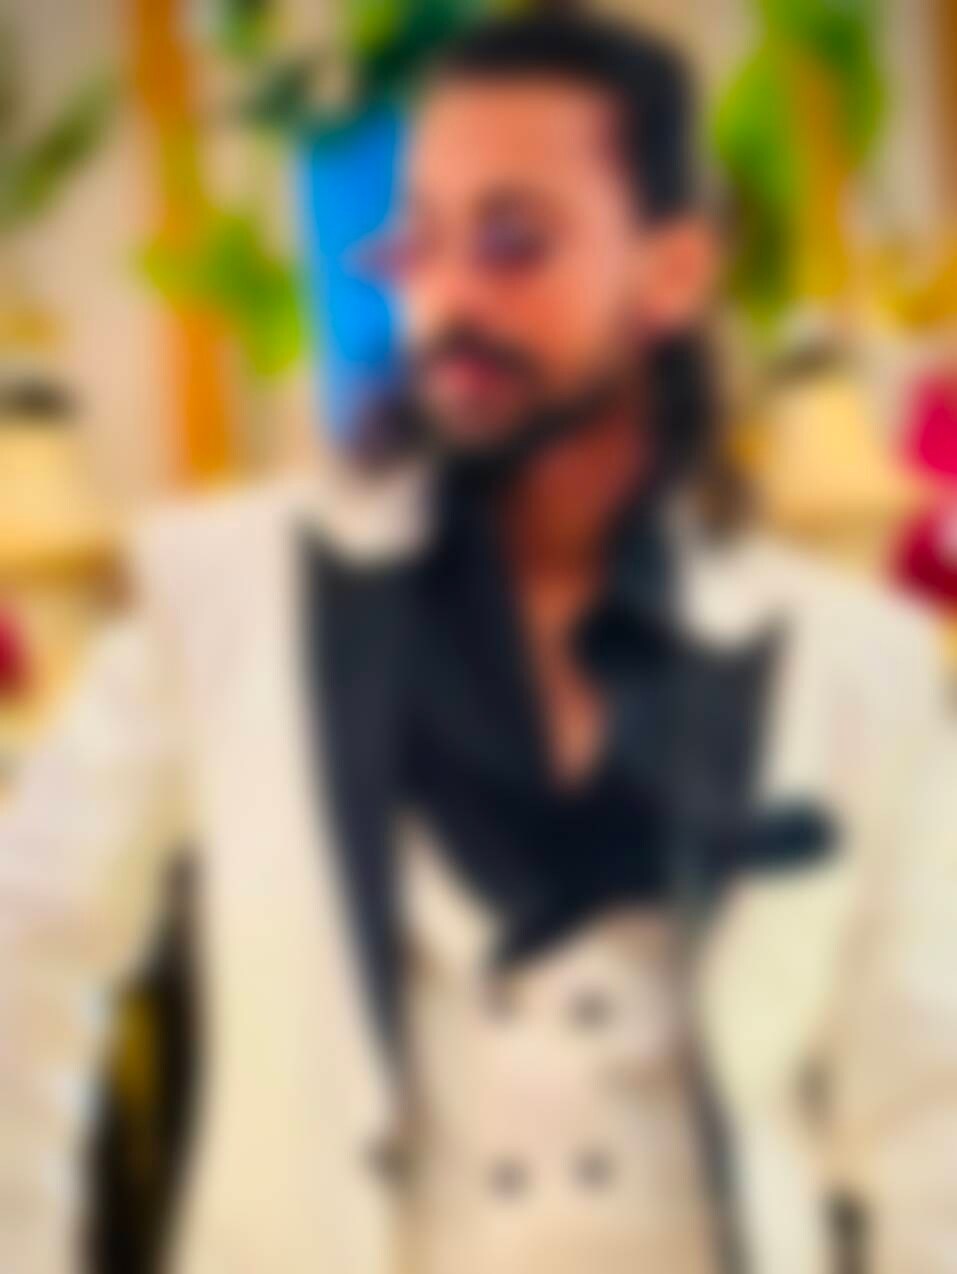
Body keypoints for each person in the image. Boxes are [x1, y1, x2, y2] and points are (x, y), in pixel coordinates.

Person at [1, 13, 954, 1274]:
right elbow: (27, 939)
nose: (447, 300)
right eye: (423, 243)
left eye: (513, 241)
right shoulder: (219, 594)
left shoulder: (857, 661)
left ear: (673, 270)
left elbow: (931, 1109)